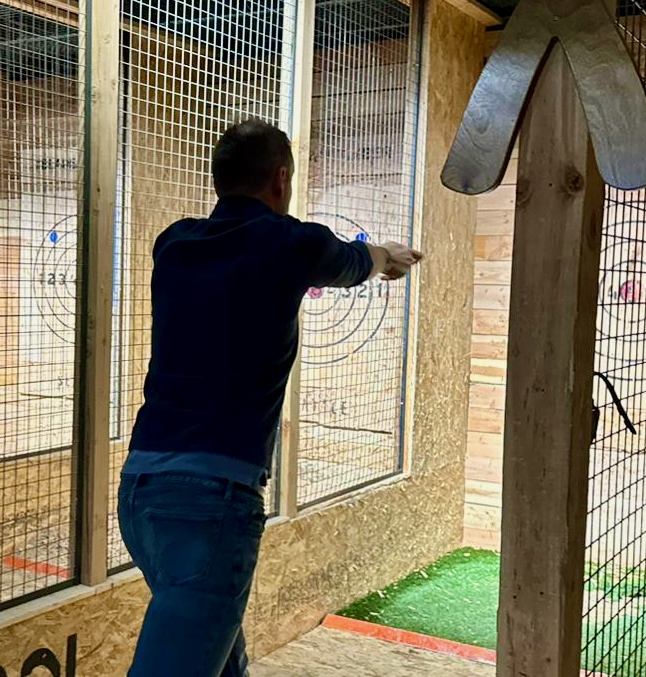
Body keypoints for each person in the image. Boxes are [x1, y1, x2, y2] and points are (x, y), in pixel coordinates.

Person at [117, 117, 423, 677]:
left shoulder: (175, 243)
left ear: (218, 180)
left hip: (140, 493)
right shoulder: (291, 242)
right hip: (210, 499)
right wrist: (386, 257)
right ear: (281, 179)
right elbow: (351, 262)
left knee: (217, 655)